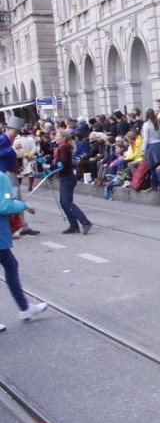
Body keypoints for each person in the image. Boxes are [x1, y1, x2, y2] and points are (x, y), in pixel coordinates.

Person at [0, 170, 48, 331]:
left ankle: (25, 306)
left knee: (11, 265)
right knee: (11, 265)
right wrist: (24, 205)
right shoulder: (1, 177)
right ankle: (24, 306)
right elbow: (5, 207)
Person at [52, 130, 93, 235]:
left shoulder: (64, 147)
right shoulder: (61, 146)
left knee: (67, 202)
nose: (55, 137)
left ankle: (85, 222)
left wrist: (50, 166)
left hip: (67, 177)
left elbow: (64, 163)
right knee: (63, 202)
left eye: (57, 135)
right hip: (64, 176)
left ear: (63, 138)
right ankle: (73, 225)